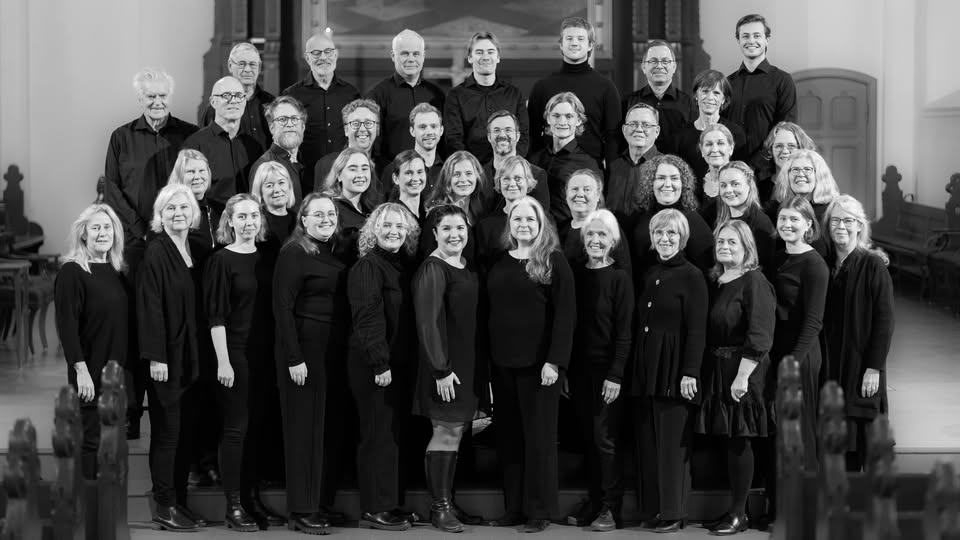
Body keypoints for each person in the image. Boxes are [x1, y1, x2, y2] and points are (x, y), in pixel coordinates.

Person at [103, 67, 197, 439]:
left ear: (170, 97)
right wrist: (142, 229)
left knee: (169, 322)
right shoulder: (121, 137)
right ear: (140, 99)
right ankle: (131, 410)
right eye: (150, 96)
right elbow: (112, 189)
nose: (157, 102)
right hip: (136, 246)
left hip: (178, 243)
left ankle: (169, 408)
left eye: (162, 96)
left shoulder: (189, 135)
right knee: (133, 325)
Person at [484, 197, 575, 533]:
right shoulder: (500, 261)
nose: (523, 225)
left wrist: (555, 362)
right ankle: (515, 508)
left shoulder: (553, 260)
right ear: (509, 224)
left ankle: (540, 510)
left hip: (540, 368)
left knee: (539, 440)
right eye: (517, 219)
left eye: (530, 220)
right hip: (503, 364)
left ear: (541, 225)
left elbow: (566, 316)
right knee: (509, 438)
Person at [272, 193, 351, 534]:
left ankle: (320, 502)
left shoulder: (333, 251)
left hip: (331, 352)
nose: (325, 219)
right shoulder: (294, 252)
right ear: (303, 219)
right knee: (303, 432)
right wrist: (294, 357)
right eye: (317, 214)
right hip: (303, 352)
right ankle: (301, 510)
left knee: (327, 430)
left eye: (330, 214)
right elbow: (282, 307)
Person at [695, 220, 776, 536]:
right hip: (718, 368)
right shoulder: (716, 280)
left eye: (732, 242)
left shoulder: (755, 281)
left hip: (744, 371)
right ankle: (733, 510)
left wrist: (742, 377)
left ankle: (740, 514)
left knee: (739, 441)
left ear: (747, 248)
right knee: (727, 441)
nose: (725, 246)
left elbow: (760, 334)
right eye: (721, 242)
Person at [630, 209, 707, 534]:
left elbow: (697, 330)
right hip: (648, 366)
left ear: (682, 238)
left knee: (673, 446)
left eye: (671, 234)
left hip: (675, 369)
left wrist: (690, 371)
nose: (664, 239)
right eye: (659, 233)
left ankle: (674, 512)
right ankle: (654, 509)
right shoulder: (651, 272)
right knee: (649, 445)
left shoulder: (692, 276)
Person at [203, 194, 275, 531]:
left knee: (256, 429)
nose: (249, 222)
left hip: (263, 355)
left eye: (254, 216)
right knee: (236, 429)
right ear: (229, 221)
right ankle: (233, 506)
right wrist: (223, 362)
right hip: (233, 353)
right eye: (242, 217)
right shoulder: (221, 260)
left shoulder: (267, 257)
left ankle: (251, 499)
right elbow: (215, 316)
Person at [347, 203, 421, 531]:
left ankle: (390, 503)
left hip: (396, 365)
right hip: (374, 365)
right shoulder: (368, 266)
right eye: (387, 225)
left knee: (391, 435)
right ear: (373, 230)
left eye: (400, 226)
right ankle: (374, 508)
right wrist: (379, 363)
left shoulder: (400, 266)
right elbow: (368, 317)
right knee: (376, 435)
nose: (393, 231)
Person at [412, 205, 483, 533]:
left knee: (457, 432)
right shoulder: (433, 267)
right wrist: (440, 369)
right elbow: (427, 323)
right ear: (435, 233)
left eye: (460, 228)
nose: (455, 235)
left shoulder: (466, 265)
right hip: (444, 367)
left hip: (466, 365)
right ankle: (439, 508)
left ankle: (448, 503)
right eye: (447, 229)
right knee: (445, 431)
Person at [138, 183, 203, 531]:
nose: (178, 213)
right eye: (170, 208)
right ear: (160, 216)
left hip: (189, 357)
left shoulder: (193, 248)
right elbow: (150, 306)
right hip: (166, 358)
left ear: (193, 213)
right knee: (167, 433)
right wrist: (156, 357)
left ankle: (179, 501)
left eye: (183, 207)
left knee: (186, 433)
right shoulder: (156, 251)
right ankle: (164, 505)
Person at [565, 209, 634, 532]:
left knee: (605, 439)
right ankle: (595, 502)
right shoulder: (576, 274)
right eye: (590, 234)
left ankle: (611, 507)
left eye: (602, 235)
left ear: (613, 241)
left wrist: (615, 375)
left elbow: (624, 333)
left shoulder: (620, 278)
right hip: (579, 371)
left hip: (609, 374)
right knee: (588, 440)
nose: (595, 240)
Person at [55, 204, 129, 480]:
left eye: (107, 227)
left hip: (116, 372)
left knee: (111, 443)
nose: (102, 233)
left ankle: (106, 503)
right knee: (91, 442)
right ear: (83, 234)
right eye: (95, 227)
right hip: (89, 371)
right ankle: (86, 502)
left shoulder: (117, 271)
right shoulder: (72, 272)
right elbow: (67, 326)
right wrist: (81, 370)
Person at [822, 195, 894, 471]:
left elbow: (885, 321)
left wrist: (874, 368)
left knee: (864, 441)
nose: (841, 226)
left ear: (860, 226)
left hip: (861, 365)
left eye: (848, 220)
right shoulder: (826, 264)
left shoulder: (873, 264)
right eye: (835, 220)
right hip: (833, 365)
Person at [769, 196, 829, 474]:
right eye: (783, 218)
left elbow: (814, 322)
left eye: (794, 219)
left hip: (800, 355)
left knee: (799, 428)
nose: (787, 224)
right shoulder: (778, 257)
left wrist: (792, 363)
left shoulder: (815, 265)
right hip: (778, 349)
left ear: (808, 225)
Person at [527, 17, 621, 166]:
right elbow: (532, 135)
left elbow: (613, 138)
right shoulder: (542, 87)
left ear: (590, 45)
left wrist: (612, 176)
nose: (574, 43)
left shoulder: (606, 88)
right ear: (561, 44)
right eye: (569, 38)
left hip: (591, 172)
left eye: (580, 39)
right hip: (548, 170)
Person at [283, 32, 361, 189]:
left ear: (336, 55)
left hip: (343, 175)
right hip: (306, 176)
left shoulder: (351, 93)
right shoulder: (292, 95)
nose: (323, 57)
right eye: (316, 53)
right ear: (307, 58)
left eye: (328, 52)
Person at [724, 14, 798, 168]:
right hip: (731, 168)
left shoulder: (783, 80)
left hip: (768, 170)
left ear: (767, 40)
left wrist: (757, 164)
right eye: (745, 36)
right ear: (738, 40)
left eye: (757, 36)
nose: (751, 41)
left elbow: (786, 130)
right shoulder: (727, 83)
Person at [444, 31, 529, 163]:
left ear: (498, 57)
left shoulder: (514, 94)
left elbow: (523, 136)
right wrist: (470, 168)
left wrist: (510, 166)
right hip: (471, 170)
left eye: (490, 52)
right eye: (479, 52)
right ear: (470, 58)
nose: (485, 57)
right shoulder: (455, 96)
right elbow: (454, 139)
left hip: (509, 169)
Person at [183, 76, 260, 217]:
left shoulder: (253, 146)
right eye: (226, 95)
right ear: (213, 102)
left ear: (244, 101)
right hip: (210, 223)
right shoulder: (195, 144)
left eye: (239, 96)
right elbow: (185, 194)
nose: (233, 101)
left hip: (248, 223)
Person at [629, 155, 714, 277]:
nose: (668, 184)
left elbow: (707, 271)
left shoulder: (693, 221)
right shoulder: (640, 217)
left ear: (683, 183)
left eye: (674, 178)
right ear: (651, 183)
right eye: (661, 178)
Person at [367, 29, 445, 161]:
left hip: (431, 171)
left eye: (416, 54)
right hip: (393, 171)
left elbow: (443, 141)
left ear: (423, 56)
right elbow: (373, 145)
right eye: (405, 54)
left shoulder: (437, 94)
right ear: (393, 56)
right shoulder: (377, 95)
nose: (411, 59)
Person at [528, 92, 601, 223]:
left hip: (567, 231)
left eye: (568, 116)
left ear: (578, 120)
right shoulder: (535, 159)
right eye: (556, 116)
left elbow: (595, 207)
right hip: (537, 230)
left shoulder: (588, 163)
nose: (562, 122)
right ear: (548, 119)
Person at [621, 40, 696, 155]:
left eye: (665, 61)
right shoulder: (629, 102)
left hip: (677, 165)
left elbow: (693, 144)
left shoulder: (689, 104)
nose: (659, 66)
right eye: (653, 61)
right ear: (643, 67)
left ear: (674, 67)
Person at [200, 43, 275, 155]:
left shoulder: (272, 103)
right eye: (241, 64)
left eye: (253, 64)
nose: (247, 69)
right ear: (230, 66)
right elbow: (205, 147)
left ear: (259, 68)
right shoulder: (216, 107)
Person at [674, 70, 747, 185]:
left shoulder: (735, 133)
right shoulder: (681, 136)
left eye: (716, 93)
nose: (710, 97)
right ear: (696, 95)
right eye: (705, 91)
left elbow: (741, 174)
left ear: (723, 99)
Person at [766, 149, 840, 257]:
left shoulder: (833, 211)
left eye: (807, 169)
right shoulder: (775, 210)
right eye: (795, 170)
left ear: (818, 175)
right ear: (787, 175)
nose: (801, 174)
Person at [419, 151, 488, 263]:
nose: (463, 179)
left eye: (469, 173)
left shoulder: (481, 211)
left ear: (477, 177)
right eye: (456, 174)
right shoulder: (436, 214)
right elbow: (427, 259)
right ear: (447, 179)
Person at [558, 169, 630, 274]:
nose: (580, 194)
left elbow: (622, 275)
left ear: (597, 196)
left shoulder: (608, 228)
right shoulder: (560, 228)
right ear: (566, 195)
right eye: (574, 189)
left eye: (587, 189)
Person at [715, 161, 776, 278]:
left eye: (735, 184)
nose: (728, 190)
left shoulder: (761, 223)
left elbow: (764, 269)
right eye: (723, 185)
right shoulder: (720, 217)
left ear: (749, 186)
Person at [474, 155, 537, 267]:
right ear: (499, 183)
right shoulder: (486, 225)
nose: (512, 184)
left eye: (518, 178)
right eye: (506, 179)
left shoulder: (542, 220)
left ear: (528, 182)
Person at [481, 111, 549, 213]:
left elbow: (542, 217)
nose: (502, 135)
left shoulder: (536, 175)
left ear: (517, 136)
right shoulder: (479, 175)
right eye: (496, 130)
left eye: (508, 130)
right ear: (489, 137)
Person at [605, 104, 662, 219]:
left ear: (657, 131)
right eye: (633, 124)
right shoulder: (614, 167)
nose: (639, 129)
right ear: (624, 130)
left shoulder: (666, 167)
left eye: (646, 125)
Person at [319, 148, 381, 249]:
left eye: (364, 169)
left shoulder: (371, 209)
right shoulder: (329, 207)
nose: (360, 175)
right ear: (338, 175)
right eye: (353, 169)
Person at [314, 99, 385, 186]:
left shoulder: (386, 168)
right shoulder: (326, 165)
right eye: (355, 124)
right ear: (346, 130)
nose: (362, 129)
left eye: (368, 123)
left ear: (377, 129)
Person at [250, 96, 307, 203]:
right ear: (271, 128)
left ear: (303, 127)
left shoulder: (307, 162)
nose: (289, 124)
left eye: (294, 119)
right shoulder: (263, 166)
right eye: (282, 119)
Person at [380, 103, 444, 197]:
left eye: (434, 126)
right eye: (422, 127)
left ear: (441, 130)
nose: (429, 132)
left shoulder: (447, 169)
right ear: (412, 131)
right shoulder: (394, 169)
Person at [755, 122, 816, 204]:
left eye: (791, 146)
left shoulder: (810, 186)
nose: (785, 151)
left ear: (801, 149)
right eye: (779, 146)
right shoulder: (759, 188)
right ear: (770, 150)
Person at [250, 161, 297, 265]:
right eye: (269, 185)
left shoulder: (298, 219)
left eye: (281, 183)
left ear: (289, 186)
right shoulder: (256, 222)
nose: (277, 190)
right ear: (260, 192)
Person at [388, 149, 429, 223]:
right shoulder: (392, 216)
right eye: (408, 173)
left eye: (420, 172)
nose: (416, 178)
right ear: (395, 178)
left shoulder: (429, 213)